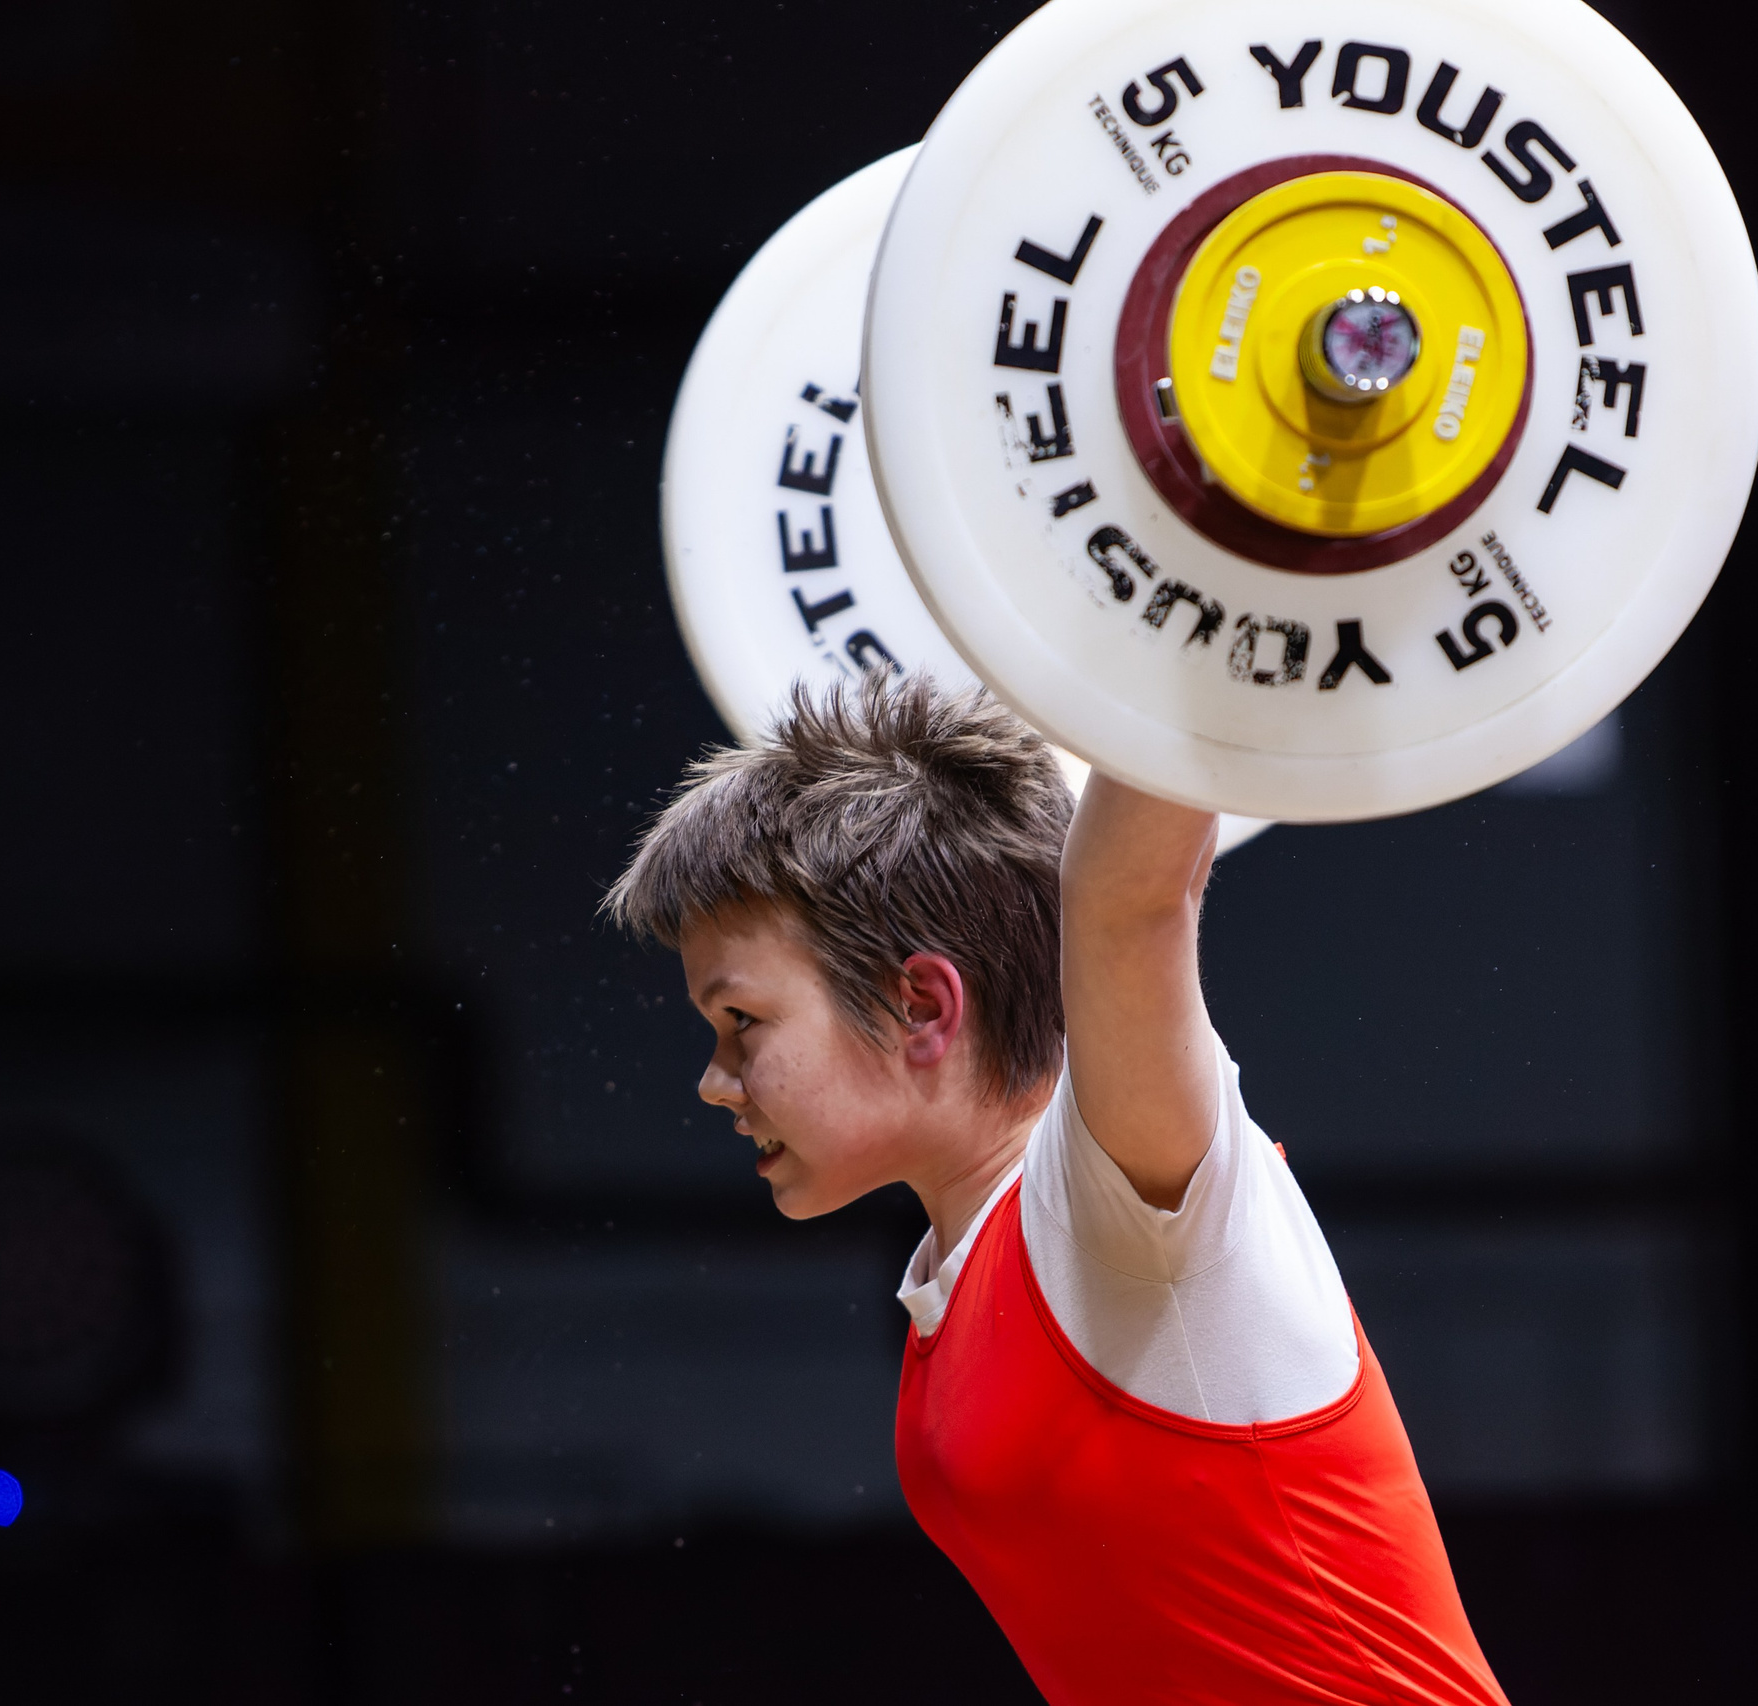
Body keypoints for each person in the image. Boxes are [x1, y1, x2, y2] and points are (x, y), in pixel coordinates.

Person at [604, 674, 1507, 1706]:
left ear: (920, 1004)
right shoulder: (961, 1263)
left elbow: (1129, 899)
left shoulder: (1110, 1201)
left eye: (742, 1022)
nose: (714, 1081)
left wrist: (1194, 580)